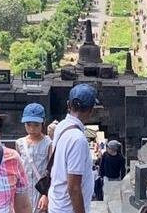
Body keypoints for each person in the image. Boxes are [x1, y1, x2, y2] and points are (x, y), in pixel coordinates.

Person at [48, 84, 98, 213]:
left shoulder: (61, 126)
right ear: (91, 110)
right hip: (68, 209)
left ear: (68, 105)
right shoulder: (78, 139)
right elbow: (74, 188)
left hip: (57, 203)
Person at [16, 103, 52, 212]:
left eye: (36, 125)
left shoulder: (49, 144)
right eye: (28, 124)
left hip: (40, 191)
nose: (32, 128)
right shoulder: (19, 143)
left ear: (43, 123)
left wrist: (46, 195)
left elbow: (51, 171)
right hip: (24, 191)